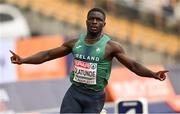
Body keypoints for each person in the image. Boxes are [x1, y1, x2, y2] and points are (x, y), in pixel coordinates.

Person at [10, 8, 169, 113]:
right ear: (86, 21)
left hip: (95, 97)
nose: (94, 22)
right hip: (74, 93)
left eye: (98, 20)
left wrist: (154, 74)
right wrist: (23, 60)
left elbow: (133, 65)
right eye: (91, 19)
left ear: (104, 24)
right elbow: (47, 55)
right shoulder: (75, 43)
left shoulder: (110, 47)